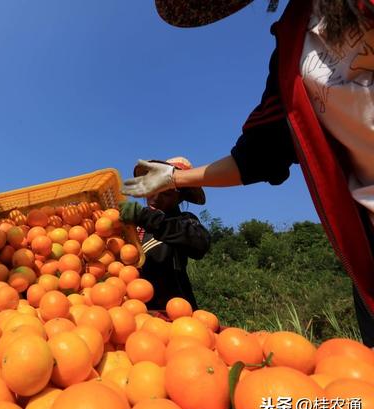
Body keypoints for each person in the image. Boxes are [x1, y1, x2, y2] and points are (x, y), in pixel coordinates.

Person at [123, 0, 374, 345]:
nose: (156, 191)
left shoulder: (184, 224)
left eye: (165, 183)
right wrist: (171, 180)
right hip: (368, 244)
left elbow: (196, 243)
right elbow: (259, 154)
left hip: (176, 323)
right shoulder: (290, 50)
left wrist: (157, 205)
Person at [119, 157, 210, 311]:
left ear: (180, 197)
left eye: (166, 193)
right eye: (153, 189)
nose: (156, 197)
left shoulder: (183, 222)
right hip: (131, 313)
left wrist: (147, 217)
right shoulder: (132, 226)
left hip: (171, 313)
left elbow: (200, 243)